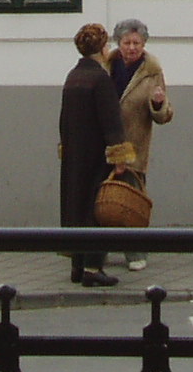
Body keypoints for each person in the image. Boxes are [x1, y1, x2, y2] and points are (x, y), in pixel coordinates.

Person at [59, 21, 136, 287]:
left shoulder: (73, 76)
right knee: (97, 210)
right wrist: (119, 158)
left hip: (74, 155)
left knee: (75, 207)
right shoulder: (100, 79)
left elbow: (63, 119)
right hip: (96, 156)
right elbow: (111, 121)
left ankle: (77, 265)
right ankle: (92, 268)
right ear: (102, 48)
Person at [107, 19, 173, 270]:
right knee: (102, 199)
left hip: (134, 148)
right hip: (105, 145)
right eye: (127, 43)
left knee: (131, 202)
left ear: (144, 44)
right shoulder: (107, 65)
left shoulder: (152, 72)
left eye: (137, 43)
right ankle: (98, 250)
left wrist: (158, 103)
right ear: (119, 43)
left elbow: (164, 116)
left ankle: (135, 253)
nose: (132, 48)